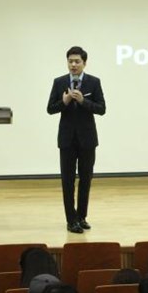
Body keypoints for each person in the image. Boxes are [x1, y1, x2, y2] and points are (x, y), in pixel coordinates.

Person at [47, 45, 106, 234]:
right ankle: (71, 220)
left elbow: (101, 109)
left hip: (87, 139)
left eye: (77, 61)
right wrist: (64, 102)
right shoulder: (59, 82)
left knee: (86, 179)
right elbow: (50, 109)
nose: (73, 65)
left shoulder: (94, 82)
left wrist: (83, 101)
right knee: (67, 181)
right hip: (67, 140)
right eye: (70, 61)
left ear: (84, 63)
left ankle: (81, 217)